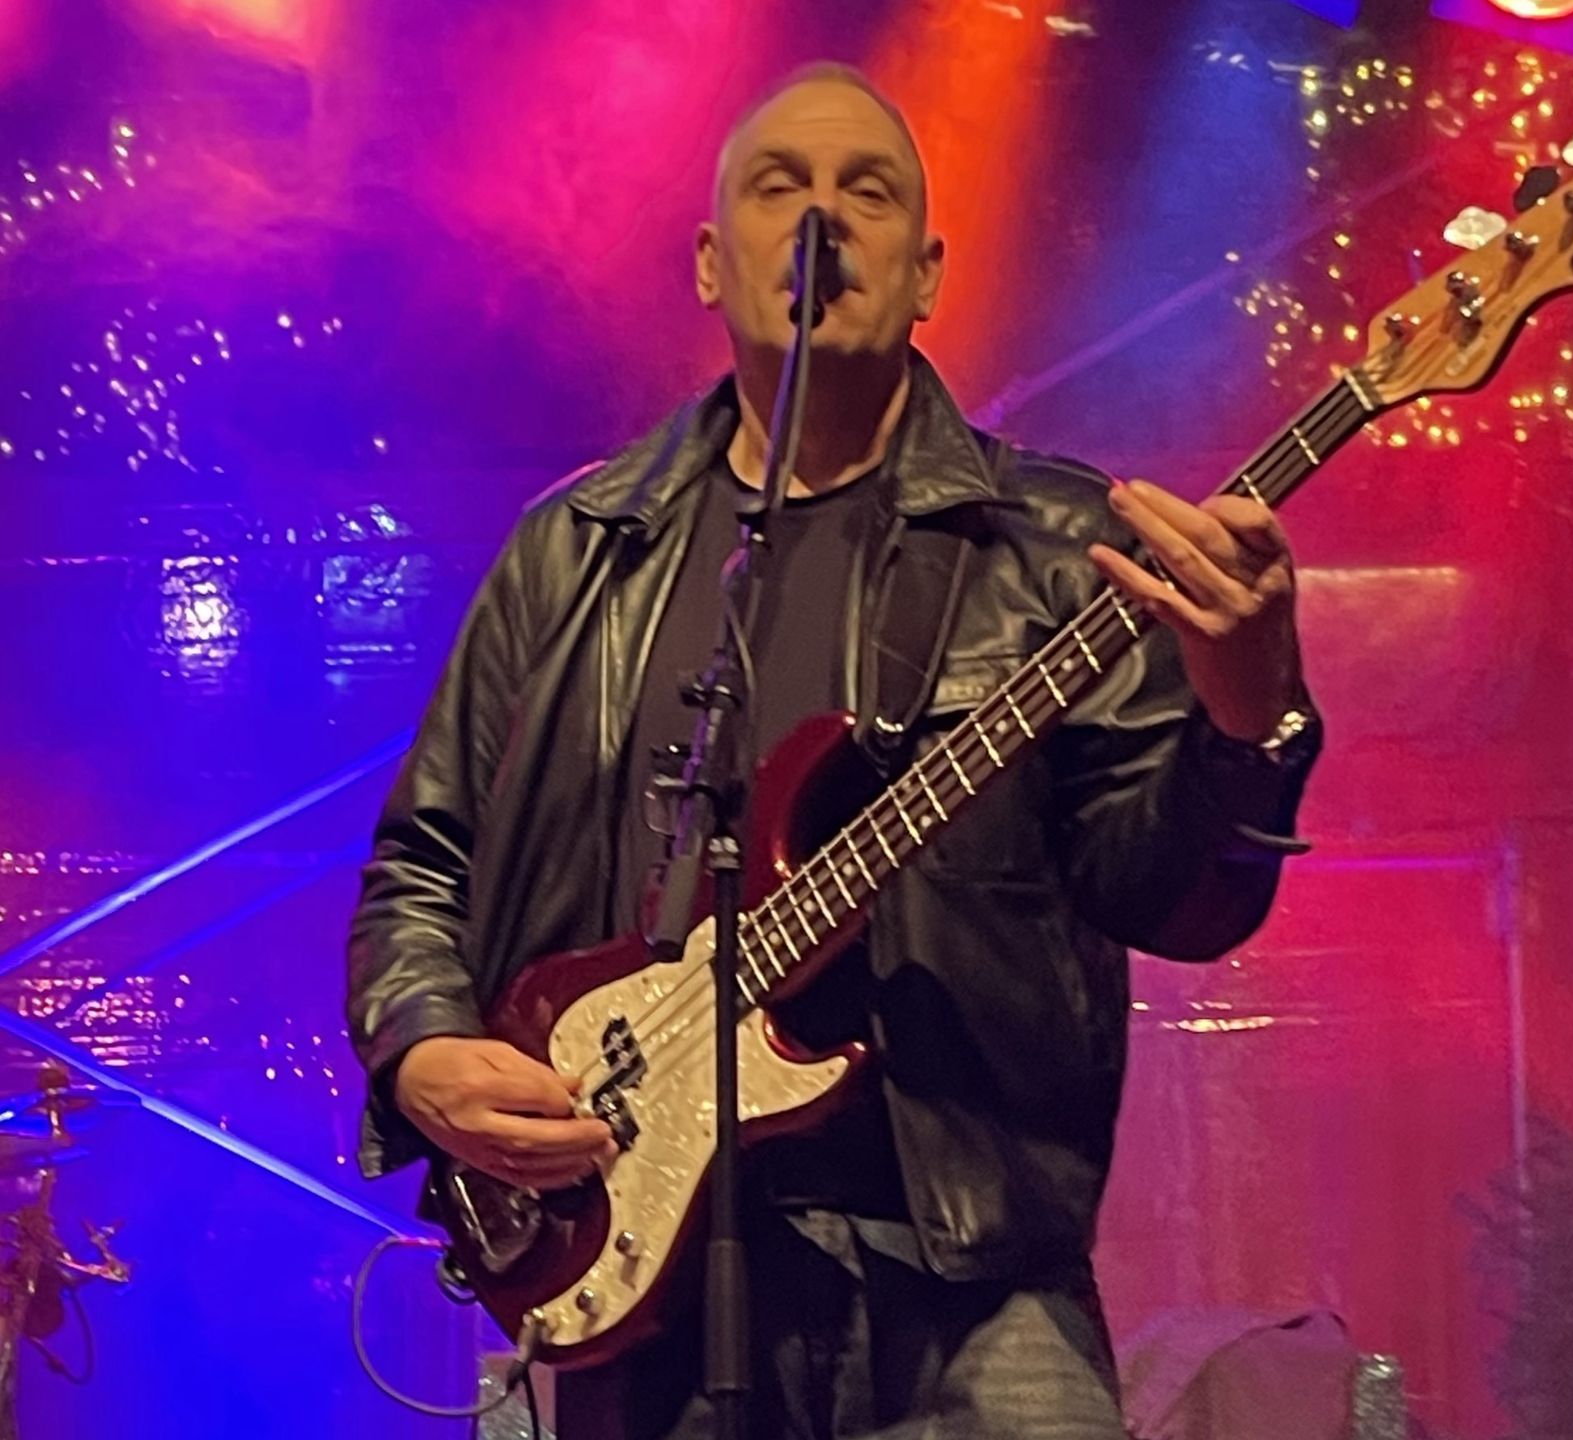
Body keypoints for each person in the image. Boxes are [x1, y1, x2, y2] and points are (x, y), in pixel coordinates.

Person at [346, 62, 1320, 1440]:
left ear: (926, 272)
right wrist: (426, 1051)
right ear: (709, 262)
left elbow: (1170, 898)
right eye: (778, 187)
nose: (821, 219)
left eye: (867, 192)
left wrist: (1248, 716)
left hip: (975, 1283)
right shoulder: (578, 554)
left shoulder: (1056, 551)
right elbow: (421, 863)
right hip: (644, 1267)